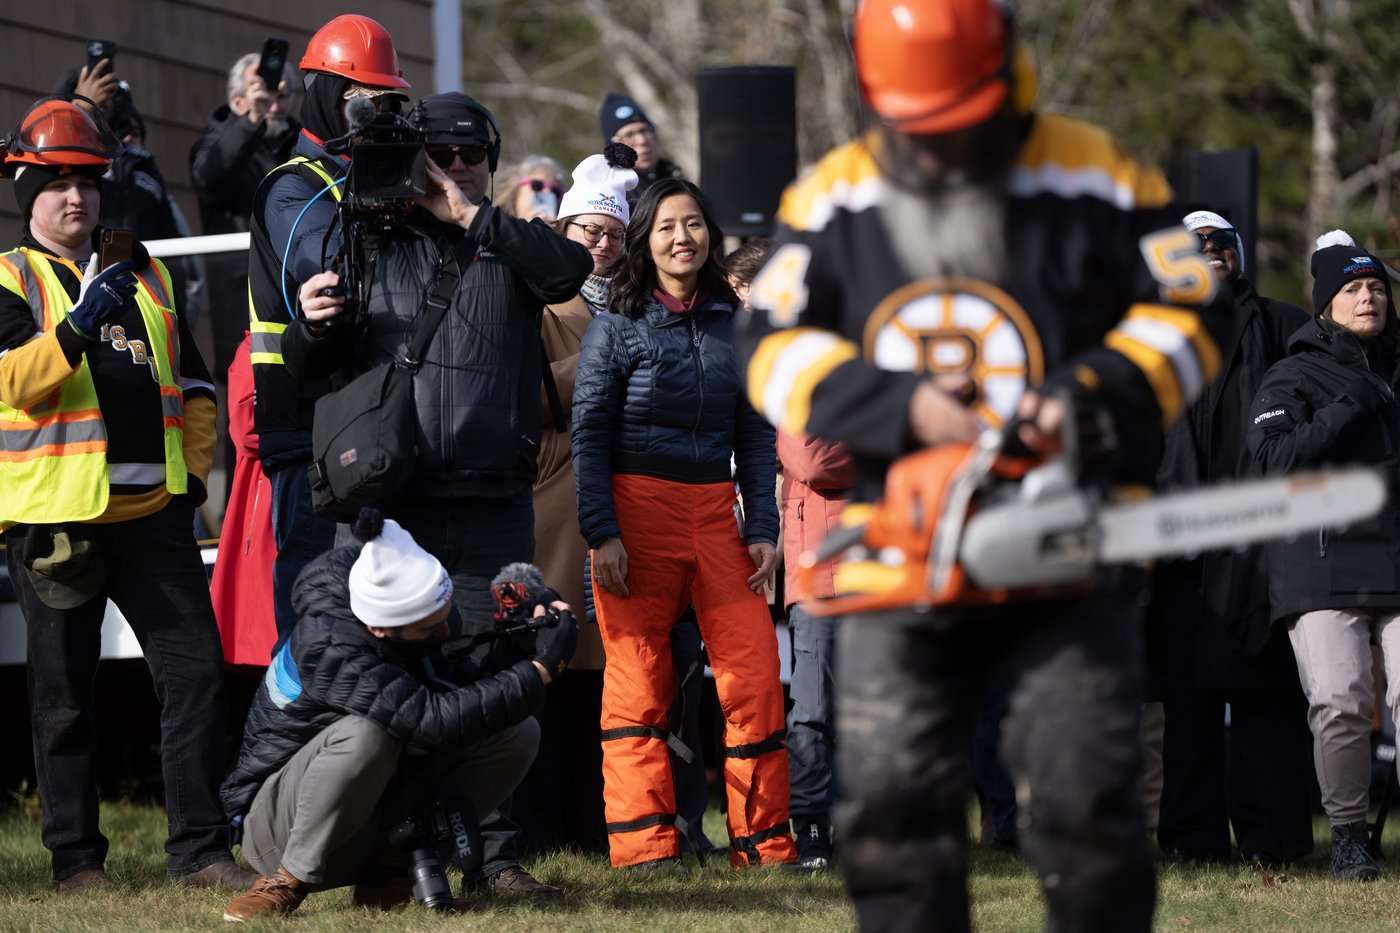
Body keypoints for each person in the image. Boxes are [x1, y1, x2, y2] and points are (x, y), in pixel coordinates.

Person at [738, 0, 1230, 927]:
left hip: (1067, 543)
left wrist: (1087, 393)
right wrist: (901, 406)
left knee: (1088, 807)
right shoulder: (834, 196)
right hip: (900, 546)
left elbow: (1195, 308)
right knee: (891, 819)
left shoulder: (1100, 174)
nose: (940, 153)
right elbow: (769, 337)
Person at [283, 91, 591, 897]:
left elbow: (572, 272)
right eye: (440, 157)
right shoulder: (369, 233)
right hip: (396, 493)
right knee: (398, 672)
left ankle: (493, 856)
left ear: (489, 161)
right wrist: (309, 325)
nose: (455, 170)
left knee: (495, 660)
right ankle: (384, 850)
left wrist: (473, 217)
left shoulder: (512, 242)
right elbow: (314, 371)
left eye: (470, 157)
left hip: (495, 488)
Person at [0, 98, 251, 892]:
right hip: (55, 521)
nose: (76, 197)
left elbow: (199, 384)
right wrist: (78, 326)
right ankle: (76, 862)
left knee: (197, 677)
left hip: (155, 521)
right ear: (26, 191)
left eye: (87, 181)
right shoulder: (6, 276)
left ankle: (201, 849)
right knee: (64, 698)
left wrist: (187, 485)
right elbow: (17, 382)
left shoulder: (148, 271)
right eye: (57, 182)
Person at [572, 176, 797, 870]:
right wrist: (600, 531)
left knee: (754, 677)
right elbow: (589, 433)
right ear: (646, 238)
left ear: (710, 236)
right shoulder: (615, 322)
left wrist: (762, 524)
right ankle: (645, 849)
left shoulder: (737, 325)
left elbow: (757, 436)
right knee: (639, 680)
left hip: (716, 513)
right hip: (634, 513)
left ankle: (762, 844)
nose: (682, 237)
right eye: (668, 225)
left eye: (694, 224)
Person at [220, 509, 579, 920]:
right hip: (279, 831)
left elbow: (455, 693)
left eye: (444, 618)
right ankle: (286, 881)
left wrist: (517, 648)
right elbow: (428, 720)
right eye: (430, 629)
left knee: (516, 732)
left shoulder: (409, 608)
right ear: (379, 629)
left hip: (364, 819)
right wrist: (540, 671)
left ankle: (390, 877)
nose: (444, 633)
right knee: (366, 735)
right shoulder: (331, 645)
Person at [1150, 210, 1314, 868]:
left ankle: (1272, 838)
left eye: (1224, 245)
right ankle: (1193, 840)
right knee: (1187, 702)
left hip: (1264, 545)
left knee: (1267, 699)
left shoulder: (1282, 324)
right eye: (1199, 247)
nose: (1214, 254)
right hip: (1178, 548)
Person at [246, 14, 411, 649]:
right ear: (323, 93)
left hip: (380, 423)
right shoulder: (293, 188)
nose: (376, 114)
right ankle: (295, 740)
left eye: (387, 100)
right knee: (317, 607)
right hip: (309, 429)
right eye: (362, 99)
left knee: (386, 614)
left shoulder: (388, 183)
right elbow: (333, 267)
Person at [1247, 230, 1400, 881]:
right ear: (1324, 303)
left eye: (1376, 287)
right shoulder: (1292, 373)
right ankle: (1347, 837)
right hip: (1321, 565)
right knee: (1340, 699)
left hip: (1397, 559)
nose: (1368, 297)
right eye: (1353, 288)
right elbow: (1272, 464)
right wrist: (1347, 406)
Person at [513, 143, 637, 854]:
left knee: (606, 676)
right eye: (589, 230)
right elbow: (517, 399)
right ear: (562, 233)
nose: (602, 244)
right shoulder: (534, 303)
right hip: (552, 502)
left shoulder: (635, 304)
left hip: (621, 504)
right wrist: (596, 358)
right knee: (551, 667)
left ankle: (602, 826)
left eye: (614, 234)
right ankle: (541, 827)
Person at [189, 52, 300, 389]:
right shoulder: (213, 143)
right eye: (263, 95)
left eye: (282, 95)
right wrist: (252, 121)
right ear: (238, 101)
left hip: (298, 286)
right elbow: (211, 178)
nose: (274, 105)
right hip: (243, 294)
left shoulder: (301, 144)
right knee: (247, 397)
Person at [599, 92, 683, 203]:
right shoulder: (611, 196)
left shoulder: (676, 177)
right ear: (613, 146)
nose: (642, 140)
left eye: (644, 130)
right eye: (628, 135)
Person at [494, 154, 568, 222]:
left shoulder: (565, 235)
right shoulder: (493, 228)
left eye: (555, 191)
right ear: (515, 190)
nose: (547, 191)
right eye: (537, 185)